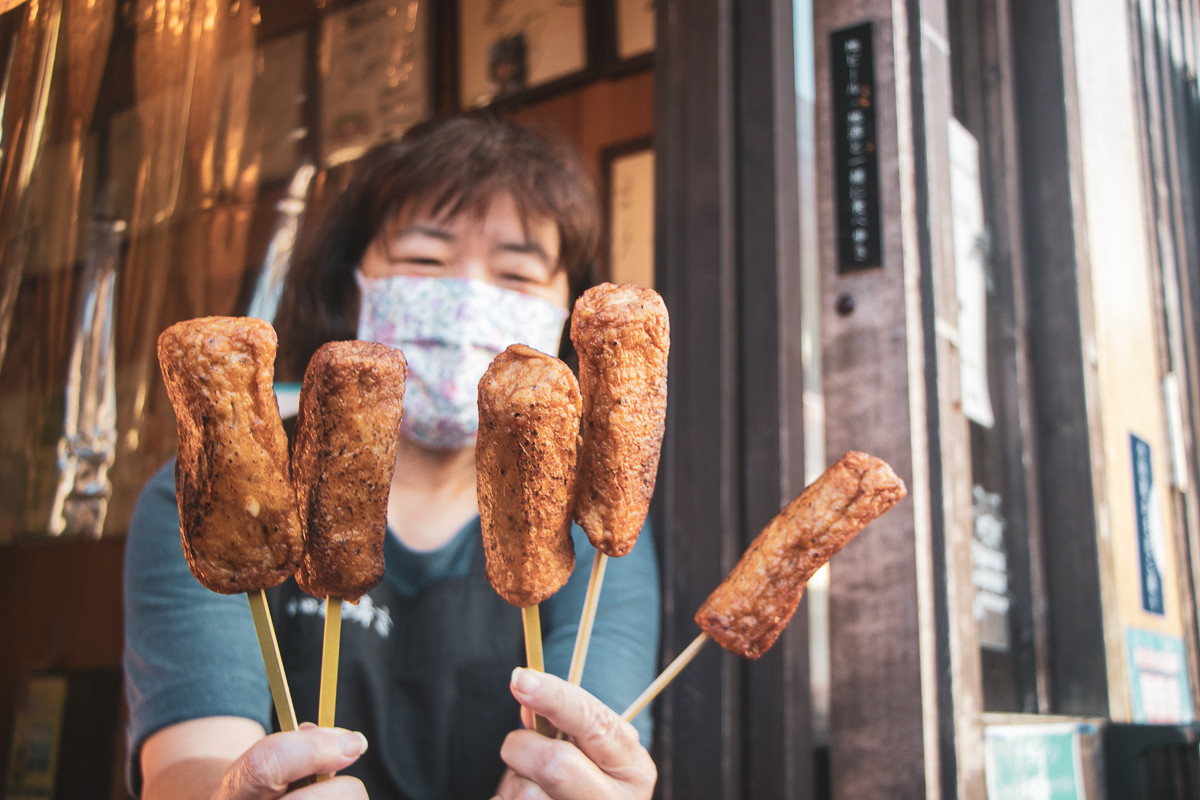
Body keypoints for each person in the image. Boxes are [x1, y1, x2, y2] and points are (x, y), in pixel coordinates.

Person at [123, 114, 661, 799]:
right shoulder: (212, 497)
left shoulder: (589, 534)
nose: (468, 302)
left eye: (516, 273)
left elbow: (573, 751)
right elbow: (187, 765)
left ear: (564, 313)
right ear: (355, 286)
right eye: (425, 261)